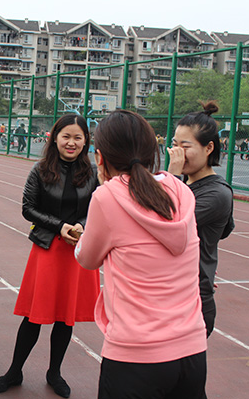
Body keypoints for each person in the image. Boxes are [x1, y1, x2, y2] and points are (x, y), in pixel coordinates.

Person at [75, 110, 207, 398]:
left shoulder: (107, 196)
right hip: (192, 349)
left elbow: (87, 258)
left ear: (100, 158)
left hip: (135, 355)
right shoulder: (182, 191)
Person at [0, 114, 100, 398]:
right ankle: (14, 371)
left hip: (77, 252)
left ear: (86, 140)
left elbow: (98, 207)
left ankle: (55, 373)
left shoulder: (93, 172)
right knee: (34, 316)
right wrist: (59, 226)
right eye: (66, 136)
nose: (71, 142)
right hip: (48, 249)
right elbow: (28, 208)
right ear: (55, 138)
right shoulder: (40, 170)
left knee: (66, 317)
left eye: (78, 137)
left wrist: (81, 226)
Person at [167, 101, 235, 339]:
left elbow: (167, 224)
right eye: (174, 145)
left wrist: (172, 175)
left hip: (192, 299)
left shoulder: (217, 194)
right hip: (168, 292)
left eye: (185, 147)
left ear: (209, 148)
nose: (177, 152)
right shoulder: (184, 185)